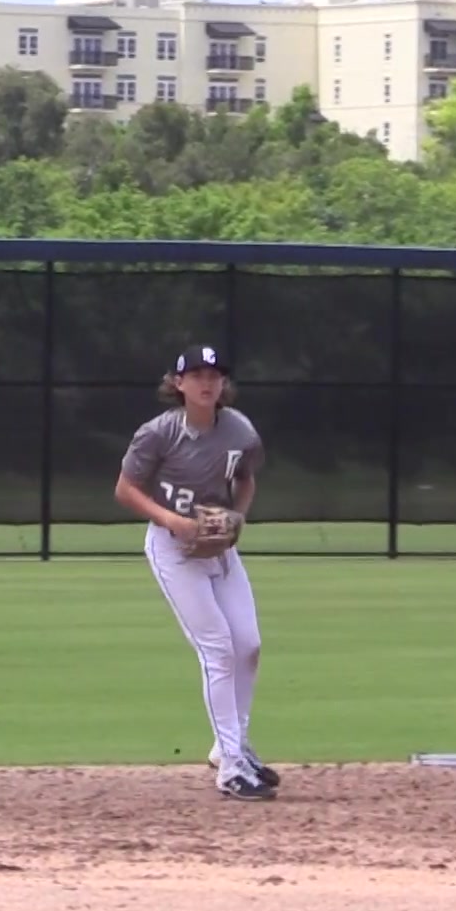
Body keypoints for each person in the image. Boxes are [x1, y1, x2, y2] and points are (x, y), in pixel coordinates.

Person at [114, 343, 280, 801]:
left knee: (249, 644)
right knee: (218, 650)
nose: (208, 382)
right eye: (198, 374)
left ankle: (233, 746)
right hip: (173, 550)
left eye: (216, 374)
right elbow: (125, 489)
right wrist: (172, 521)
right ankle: (230, 768)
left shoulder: (239, 430)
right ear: (179, 383)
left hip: (217, 549)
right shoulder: (158, 434)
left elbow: (246, 478)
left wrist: (238, 517)